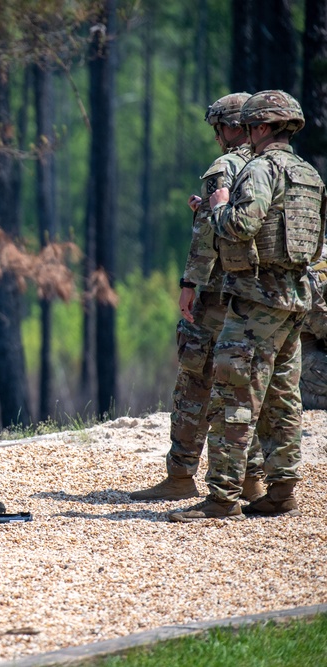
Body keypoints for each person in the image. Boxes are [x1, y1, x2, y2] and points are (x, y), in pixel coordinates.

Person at [170, 90, 326, 522]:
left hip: (256, 300)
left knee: (234, 394)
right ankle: (282, 491)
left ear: (259, 128)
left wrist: (217, 210)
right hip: (295, 300)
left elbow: (241, 226)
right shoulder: (308, 173)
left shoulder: (260, 170)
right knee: (282, 398)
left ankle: (221, 499)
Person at [130, 92, 266, 502]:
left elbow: (207, 237)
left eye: (217, 129)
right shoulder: (269, 167)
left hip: (218, 294)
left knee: (194, 379)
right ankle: (252, 478)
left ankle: (180, 475)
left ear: (228, 128)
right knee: (247, 384)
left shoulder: (222, 167)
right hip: (259, 295)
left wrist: (189, 284)